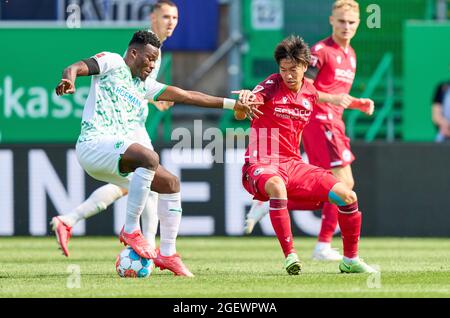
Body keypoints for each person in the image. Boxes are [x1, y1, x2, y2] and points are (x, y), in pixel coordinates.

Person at [54, 30, 260, 276]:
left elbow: (187, 96)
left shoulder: (144, 86)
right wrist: (70, 79)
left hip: (117, 154)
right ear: (133, 53)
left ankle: (168, 254)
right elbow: (75, 66)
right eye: (149, 59)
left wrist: (232, 104)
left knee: (170, 183)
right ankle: (131, 230)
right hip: (93, 144)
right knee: (150, 158)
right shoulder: (113, 62)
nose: (152, 65)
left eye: (155, 60)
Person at [243, 0, 374, 262]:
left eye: (351, 22)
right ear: (331, 21)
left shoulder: (351, 55)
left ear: (359, 24)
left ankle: (271, 202)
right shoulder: (321, 51)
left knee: (335, 186)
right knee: (344, 184)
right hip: (320, 120)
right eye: (341, 21)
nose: (346, 26)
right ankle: (323, 244)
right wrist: (334, 100)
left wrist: (357, 103)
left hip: (335, 121)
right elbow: (306, 86)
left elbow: (336, 93)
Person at [51, 0, 179, 257]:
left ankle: (70, 219)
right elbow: (128, 78)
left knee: (137, 183)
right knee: (149, 179)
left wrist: (155, 97)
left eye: (175, 18)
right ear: (153, 16)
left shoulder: (156, 49)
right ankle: (151, 251)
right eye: (166, 16)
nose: (171, 22)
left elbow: (142, 86)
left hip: (133, 120)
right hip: (126, 124)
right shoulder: (145, 44)